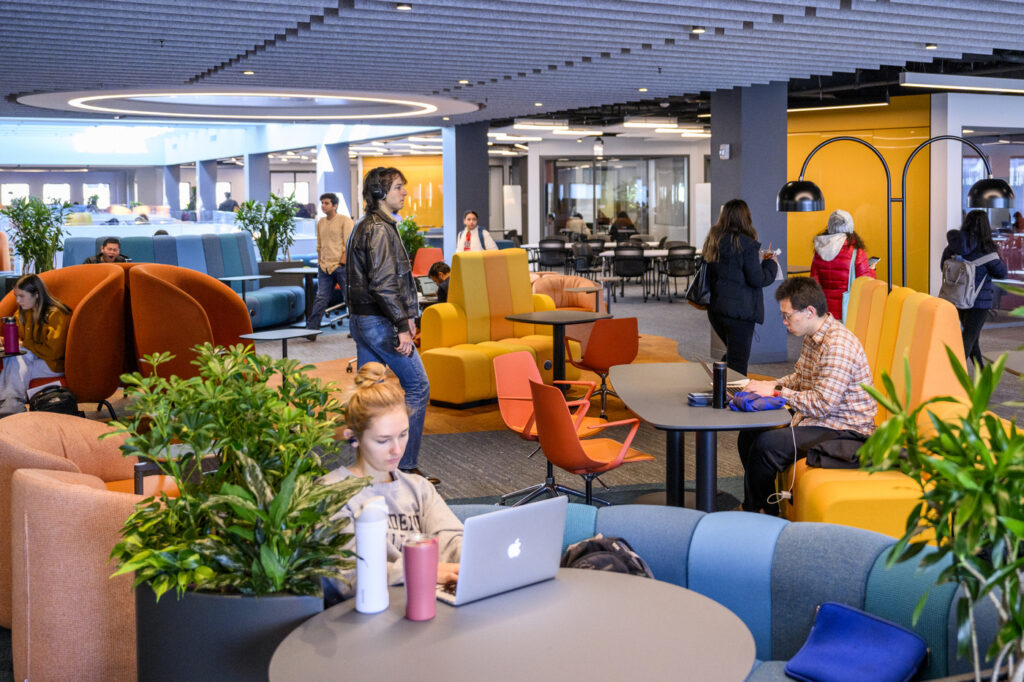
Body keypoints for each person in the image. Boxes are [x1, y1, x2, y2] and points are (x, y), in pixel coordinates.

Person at [320, 363, 462, 605]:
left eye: (403, 434)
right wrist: (420, 571)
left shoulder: (418, 488)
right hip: (370, 610)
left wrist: (474, 559)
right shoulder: (333, 493)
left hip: (429, 602)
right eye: (383, 440)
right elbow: (347, 575)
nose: (397, 450)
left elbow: (451, 538)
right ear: (352, 437)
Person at [741, 277, 876, 515]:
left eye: (787, 315)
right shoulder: (813, 337)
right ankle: (760, 507)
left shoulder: (838, 346)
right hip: (824, 419)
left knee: (766, 446)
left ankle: (761, 514)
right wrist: (770, 383)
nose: (784, 322)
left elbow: (822, 404)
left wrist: (775, 391)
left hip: (846, 430)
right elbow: (800, 378)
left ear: (810, 311)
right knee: (749, 433)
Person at [347, 167, 436, 484]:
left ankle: (373, 467)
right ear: (380, 194)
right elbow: (384, 284)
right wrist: (401, 324)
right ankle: (406, 468)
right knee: (418, 387)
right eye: (399, 187)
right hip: (381, 322)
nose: (405, 192)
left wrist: (406, 316)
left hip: (362, 320)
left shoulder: (365, 225)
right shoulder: (380, 230)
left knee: (368, 394)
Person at [701, 199, 779, 376]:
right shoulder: (746, 245)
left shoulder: (713, 241)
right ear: (746, 218)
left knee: (733, 355)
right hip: (739, 313)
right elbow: (757, 279)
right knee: (738, 362)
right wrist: (770, 264)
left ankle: (717, 387)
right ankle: (730, 399)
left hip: (716, 310)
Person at [941, 210, 1007, 368]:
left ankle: (982, 375)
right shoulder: (987, 249)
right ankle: (951, 378)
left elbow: (943, 266)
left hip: (958, 298)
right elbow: (1001, 273)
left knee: (972, 338)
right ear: (986, 227)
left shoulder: (953, 247)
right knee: (968, 339)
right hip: (979, 303)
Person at [0, 275, 70, 415]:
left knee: (15, 360)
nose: (17, 301)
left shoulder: (56, 314)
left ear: (36, 294)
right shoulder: (25, 310)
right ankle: (10, 403)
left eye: (22, 296)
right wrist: (4, 340)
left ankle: (13, 403)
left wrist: (23, 344)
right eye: (16, 296)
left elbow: (53, 352)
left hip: (53, 363)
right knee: (14, 357)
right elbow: (18, 338)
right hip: (33, 358)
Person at [809, 209, 875, 319]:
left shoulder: (819, 251)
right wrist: (871, 270)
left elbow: (814, 284)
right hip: (848, 309)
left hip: (824, 311)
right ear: (850, 227)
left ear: (830, 226)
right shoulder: (856, 251)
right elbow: (865, 282)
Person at [306, 192, 354, 335]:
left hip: (341, 267)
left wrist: (342, 263)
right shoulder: (320, 222)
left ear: (335, 205)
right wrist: (320, 261)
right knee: (321, 298)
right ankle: (311, 331)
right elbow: (319, 245)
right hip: (324, 268)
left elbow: (348, 243)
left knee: (350, 299)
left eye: (326, 203)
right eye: (322, 203)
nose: (323, 206)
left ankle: (357, 331)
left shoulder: (345, 220)